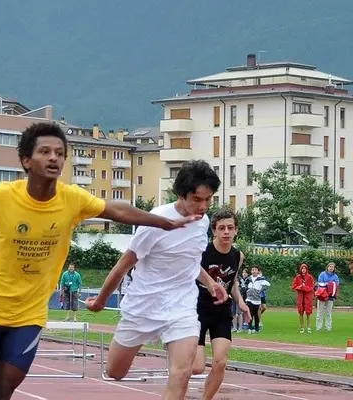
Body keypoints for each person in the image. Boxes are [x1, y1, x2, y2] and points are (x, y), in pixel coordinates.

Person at [0, 122, 204, 400]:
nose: (53, 158)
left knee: (1, 393)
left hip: (29, 313)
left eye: (59, 153)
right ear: (26, 160)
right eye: (44, 152)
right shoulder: (3, 196)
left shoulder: (73, 199)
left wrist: (163, 221)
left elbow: (117, 210)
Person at [85, 160, 228, 400]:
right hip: (143, 305)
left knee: (182, 373)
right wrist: (100, 302)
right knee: (115, 372)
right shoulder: (155, 222)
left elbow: (190, 261)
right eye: (197, 199)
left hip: (181, 307)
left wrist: (210, 282)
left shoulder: (202, 222)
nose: (203, 206)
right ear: (181, 195)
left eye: (208, 199)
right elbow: (122, 266)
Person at [191, 208, 250, 400]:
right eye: (222, 228)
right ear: (214, 231)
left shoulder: (238, 256)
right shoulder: (202, 252)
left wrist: (241, 302)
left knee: (220, 362)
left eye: (230, 228)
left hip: (222, 312)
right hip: (197, 310)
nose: (226, 232)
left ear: (236, 231)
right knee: (197, 367)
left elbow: (231, 283)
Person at [244, 265, 270, 333]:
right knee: (250, 313)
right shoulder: (249, 278)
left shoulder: (261, 278)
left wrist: (260, 290)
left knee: (256, 314)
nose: (254, 271)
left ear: (258, 271)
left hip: (257, 299)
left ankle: (256, 328)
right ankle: (250, 328)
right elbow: (244, 285)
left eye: (255, 270)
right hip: (249, 298)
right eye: (252, 270)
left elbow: (267, 284)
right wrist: (247, 290)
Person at [316, 262, 340, 332]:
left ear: (334, 268)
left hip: (330, 297)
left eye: (333, 267)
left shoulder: (335, 276)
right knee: (320, 312)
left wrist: (331, 285)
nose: (331, 268)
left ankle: (328, 328)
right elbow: (320, 283)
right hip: (322, 296)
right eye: (330, 266)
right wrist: (329, 284)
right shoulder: (322, 274)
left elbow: (337, 284)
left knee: (328, 313)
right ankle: (319, 328)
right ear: (327, 267)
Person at [292, 263, 315, 333]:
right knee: (301, 312)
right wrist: (299, 287)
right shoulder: (298, 277)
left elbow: (312, 287)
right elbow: (294, 285)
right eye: (302, 268)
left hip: (308, 296)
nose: (303, 270)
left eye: (305, 268)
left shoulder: (310, 277)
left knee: (308, 312)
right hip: (300, 296)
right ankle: (302, 327)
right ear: (301, 269)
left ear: (306, 269)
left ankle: (308, 327)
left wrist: (304, 288)